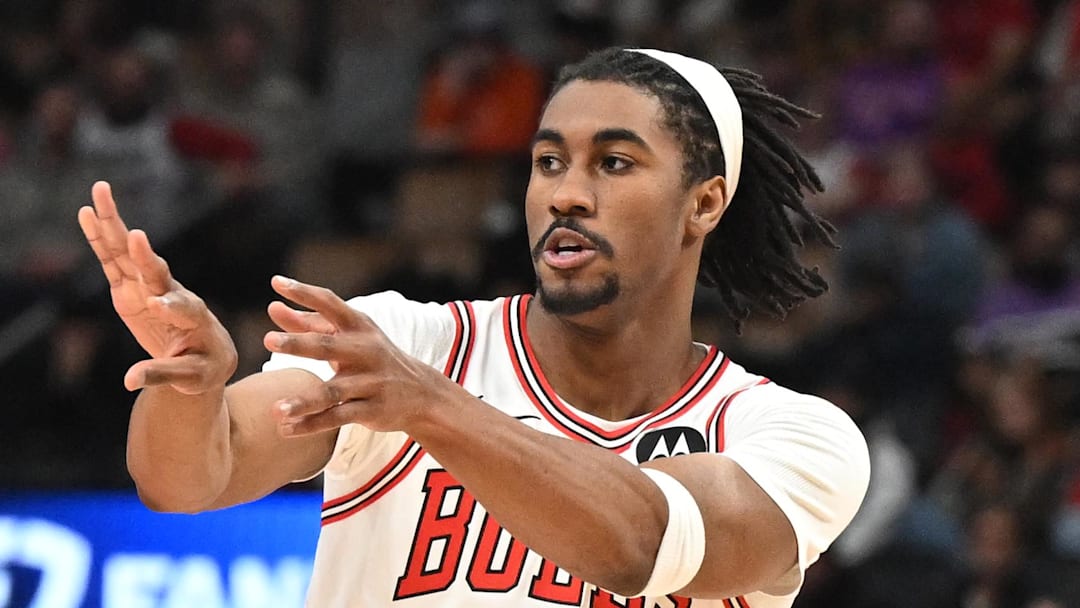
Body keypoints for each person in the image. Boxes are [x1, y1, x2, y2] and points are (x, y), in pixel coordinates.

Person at [78, 47, 870, 607]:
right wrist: (190, 384)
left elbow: (643, 548)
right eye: (549, 162)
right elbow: (189, 479)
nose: (565, 194)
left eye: (614, 163)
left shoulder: (790, 436)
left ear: (703, 203)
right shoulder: (410, 343)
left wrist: (429, 408)